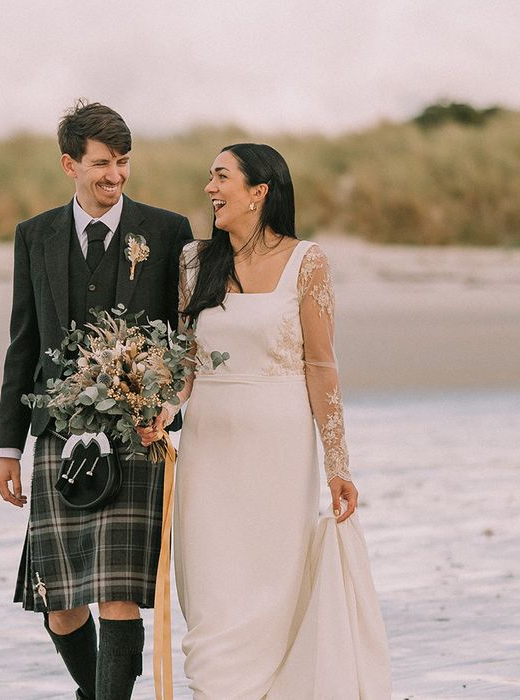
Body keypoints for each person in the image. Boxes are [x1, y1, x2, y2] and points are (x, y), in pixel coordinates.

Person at [146, 143, 390, 698]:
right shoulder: (193, 261)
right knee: (211, 602)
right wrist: (163, 410)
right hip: (208, 449)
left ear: (259, 191)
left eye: (221, 177)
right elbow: (186, 361)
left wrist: (338, 464)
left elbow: (322, 368)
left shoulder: (309, 262)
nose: (210, 188)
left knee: (270, 597)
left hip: (279, 452)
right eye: (209, 178)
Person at [0, 100, 193, 700]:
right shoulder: (36, 236)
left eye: (124, 162)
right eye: (102, 163)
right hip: (58, 434)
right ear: (70, 164)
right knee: (60, 605)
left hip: (135, 434)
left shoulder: (166, 231)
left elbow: (185, 337)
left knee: (118, 594)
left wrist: (167, 404)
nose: (115, 176)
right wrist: (8, 446)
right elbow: (23, 343)